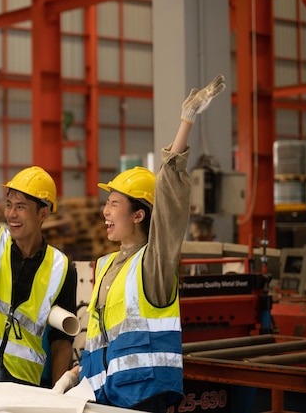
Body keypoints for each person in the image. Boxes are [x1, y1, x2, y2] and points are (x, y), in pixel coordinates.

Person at [53, 75, 226, 412]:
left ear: (139, 215)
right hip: (105, 395)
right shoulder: (104, 265)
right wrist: (76, 373)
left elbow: (171, 203)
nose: (105, 211)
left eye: (114, 203)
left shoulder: (153, 263)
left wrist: (185, 123)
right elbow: (106, 339)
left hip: (143, 395)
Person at [0, 72, 78, 387]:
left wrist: (59, 396)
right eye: (9, 205)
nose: (11, 214)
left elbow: (62, 340)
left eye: (21, 206)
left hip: (22, 380)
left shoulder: (62, 269)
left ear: (43, 213)